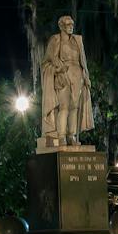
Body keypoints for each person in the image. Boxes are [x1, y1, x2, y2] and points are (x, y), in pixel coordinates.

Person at [39, 14, 94, 148]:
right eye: (68, 25)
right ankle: (61, 136)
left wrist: (86, 76)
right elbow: (48, 60)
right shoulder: (55, 40)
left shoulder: (77, 40)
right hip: (63, 75)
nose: (71, 27)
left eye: (72, 25)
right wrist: (57, 69)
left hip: (77, 75)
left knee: (74, 107)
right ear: (61, 26)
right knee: (63, 107)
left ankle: (71, 136)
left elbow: (83, 61)